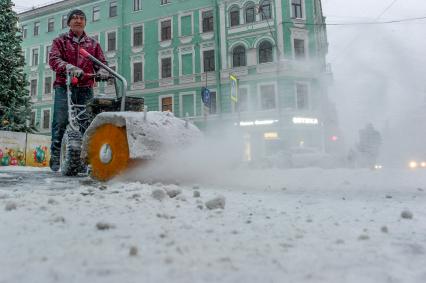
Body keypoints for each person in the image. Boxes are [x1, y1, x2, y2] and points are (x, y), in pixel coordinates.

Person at [48, 9, 108, 171]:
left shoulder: (93, 44)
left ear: (85, 23)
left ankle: (84, 158)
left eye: (81, 18)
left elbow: (101, 62)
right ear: (69, 23)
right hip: (64, 85)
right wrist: (68, 67)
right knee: (60, 120)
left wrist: (103, 70)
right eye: (74, 18)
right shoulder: (60, 41)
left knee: (87, 123)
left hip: (85, 87)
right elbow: (54, 59)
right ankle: (56, 156)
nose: (78, 21)